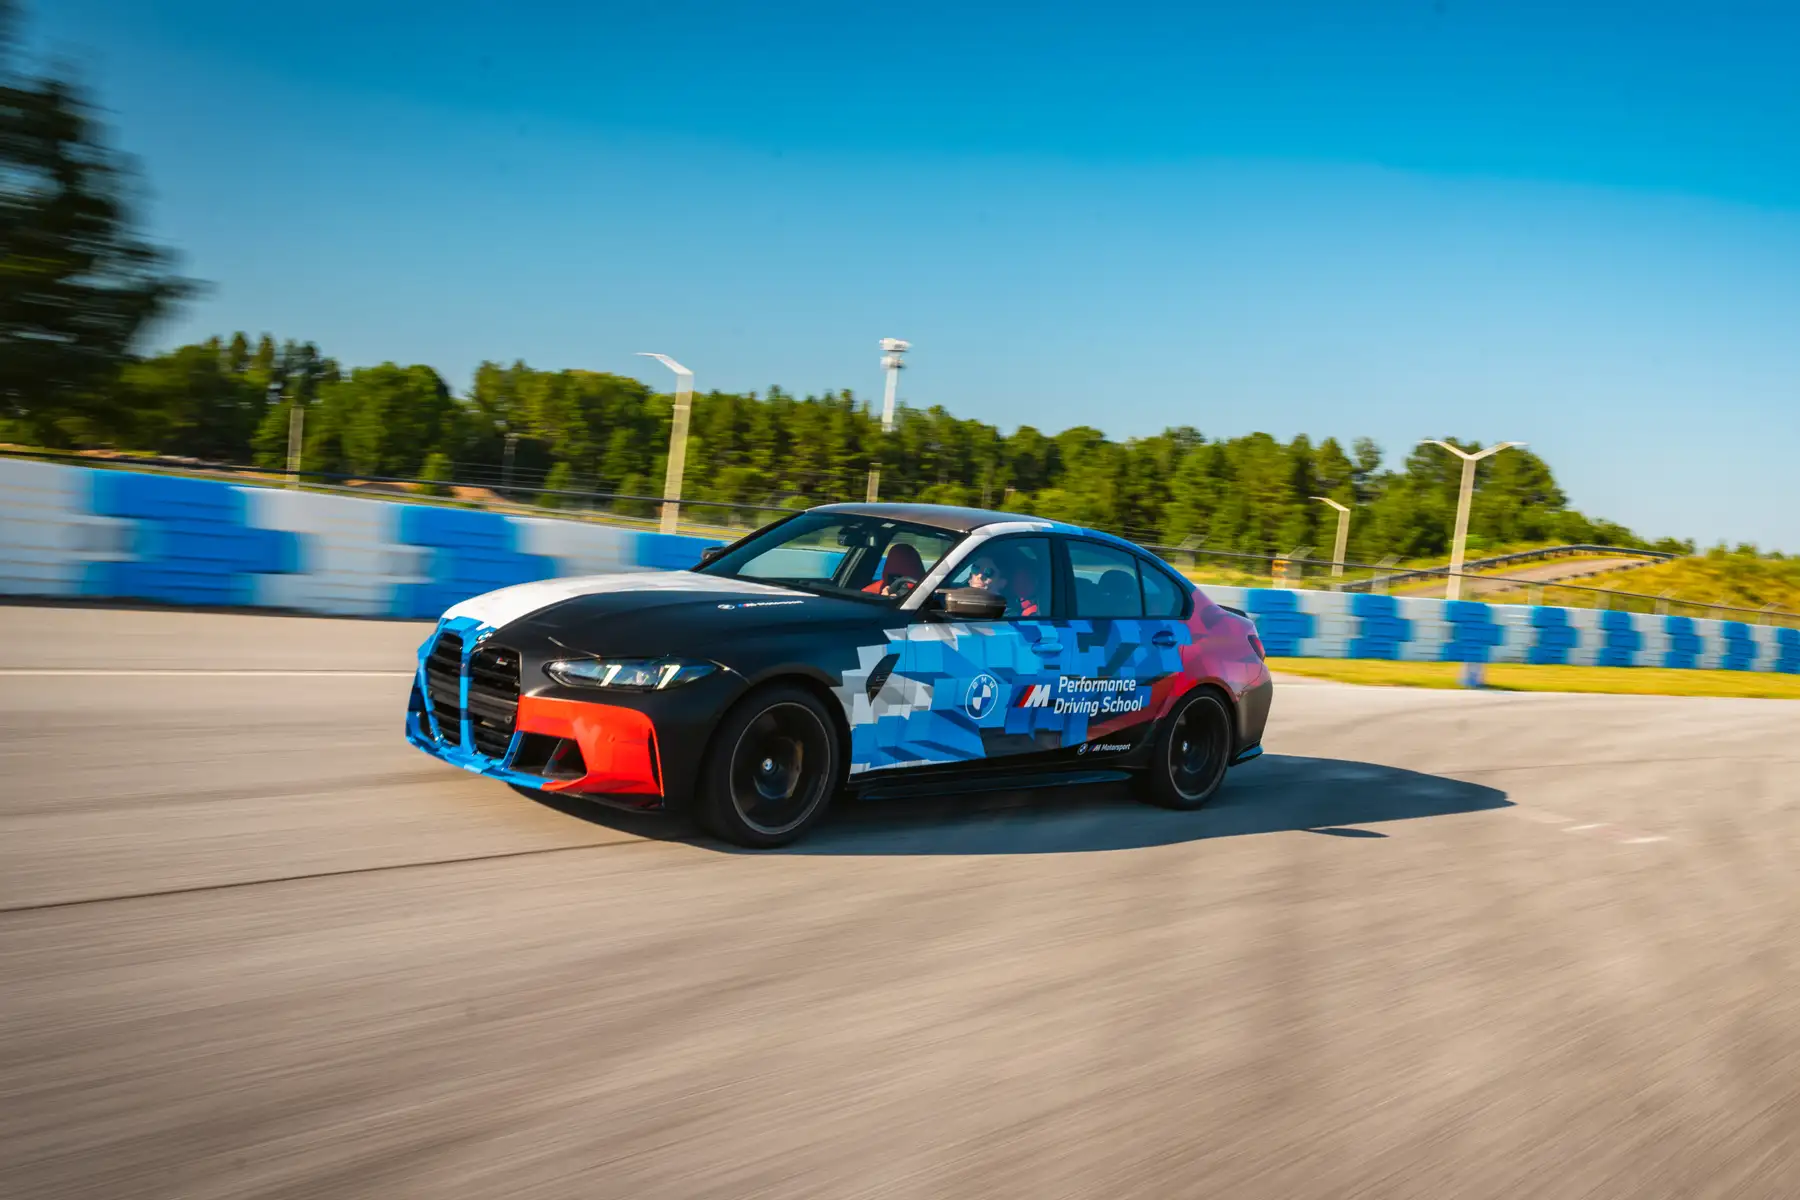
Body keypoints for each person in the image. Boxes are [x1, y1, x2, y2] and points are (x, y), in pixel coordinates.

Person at [967, 547, 1041, 617]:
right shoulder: (965, 602)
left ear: (1002, 583)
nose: (980, 576)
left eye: (988, 572)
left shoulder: (1006, 616)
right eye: (975, 568)